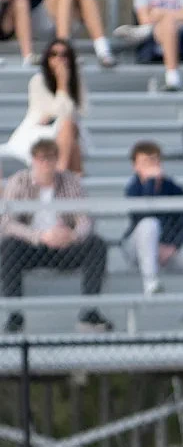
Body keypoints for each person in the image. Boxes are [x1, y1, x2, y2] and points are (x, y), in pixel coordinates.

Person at [1, 138, 112, 334]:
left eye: (50, 158)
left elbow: (85, 219)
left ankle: (89, 312)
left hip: (65, 246)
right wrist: (40, 235)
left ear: (56, 160)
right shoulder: (19, 181)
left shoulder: (70, 181)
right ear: (33, 160)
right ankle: (15, 315)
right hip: (32, 247)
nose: (46, 163)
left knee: (96, 244)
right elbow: (7, 223)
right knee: (9, 246)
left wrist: (72, 235)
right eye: (41, 158)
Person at [122, 140, 183, 298]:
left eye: (154, 161)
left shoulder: (174, 189)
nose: (151, 166)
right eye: (145, 162)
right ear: (135, 166)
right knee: (149, 224)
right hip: (138, 250)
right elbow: (141, 215)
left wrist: (173, 245)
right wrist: (151, 183)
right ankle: (151, 284)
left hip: (169, 249)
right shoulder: (133, 188)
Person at [2, 38, 87, 173]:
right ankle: (63, 174)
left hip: (67, 131)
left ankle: (66, 176)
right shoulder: (38, 81)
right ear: (47, 58)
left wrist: (64, 83)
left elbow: (78, 111)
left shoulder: (77, 81)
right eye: (54, 54)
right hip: (40, 129)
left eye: (64, 55)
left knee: (69, 128)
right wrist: (62, 84)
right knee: (68, 128)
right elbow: (50, 113)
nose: (59, 59)